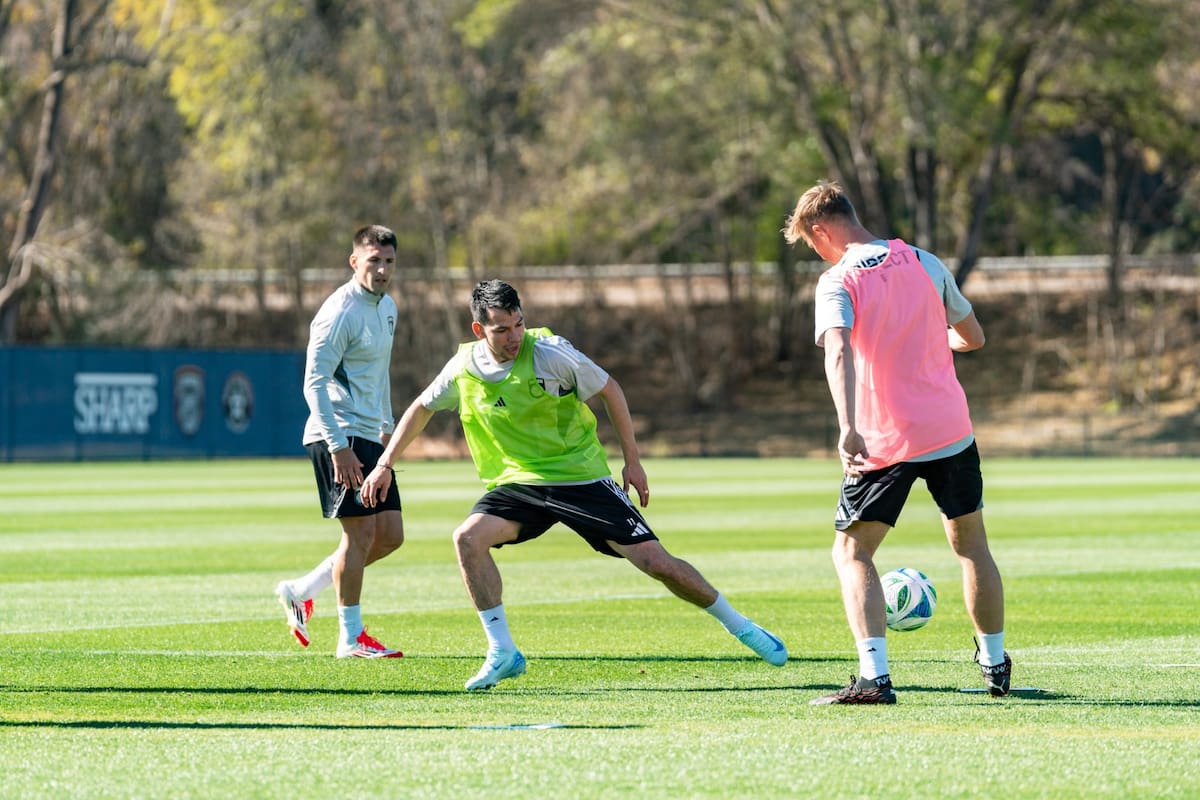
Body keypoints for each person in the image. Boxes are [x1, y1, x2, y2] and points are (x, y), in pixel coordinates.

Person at [359, 279, 789, 690]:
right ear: (479, 329)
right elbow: (421, 407)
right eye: (501, 330)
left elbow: (610, 390)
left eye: (519, 324)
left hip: (580, 477)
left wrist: (632, 462)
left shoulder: (550, 352)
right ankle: (502, 650)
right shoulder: (464, 366)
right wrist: (385, 464)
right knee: (467, 539)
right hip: (519, 483)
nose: (513, 337)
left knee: (657, 564)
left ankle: (740, 625)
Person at [783, 181, 1011, 704]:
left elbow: (837, 352)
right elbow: (972, 337)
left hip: (884, 439)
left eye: (810, 242)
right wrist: (936, 342)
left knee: (852, 551)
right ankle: (996, 667)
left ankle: (874, 678)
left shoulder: (838, 280)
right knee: (972, 545)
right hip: (951, 430)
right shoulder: (925, 261)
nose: (815, 252)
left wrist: (846, 425)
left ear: (822, 231)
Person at [274, 224, 406, 659]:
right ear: (355, 262)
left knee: (390, 534)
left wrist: (386, 428)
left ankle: (301, 590)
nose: (382, 269)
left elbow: (379, 372)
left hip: (369, 434)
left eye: (388, 261)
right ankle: (351, 637)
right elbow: (313, 383)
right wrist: (338, 446)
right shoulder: (339, 311)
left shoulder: (387, 308)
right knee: (361, 534)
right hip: (339, 433)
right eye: (374, 261)